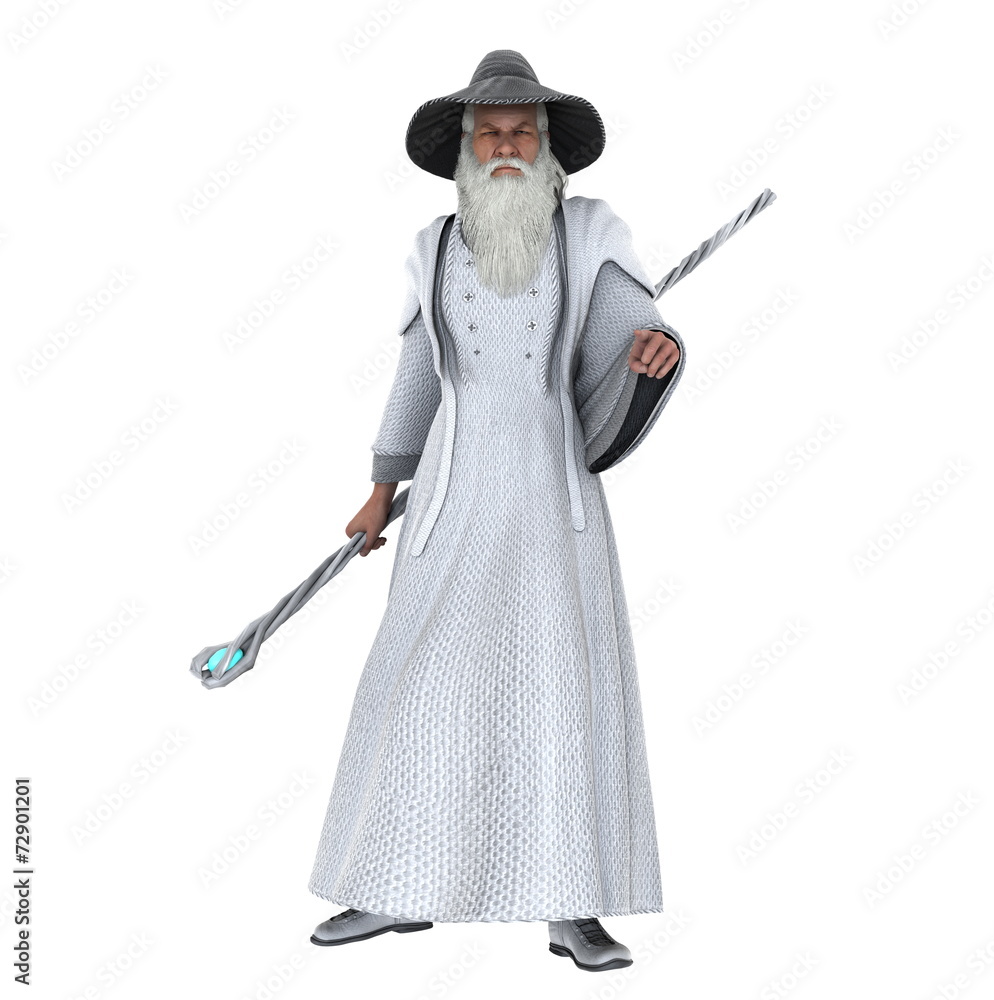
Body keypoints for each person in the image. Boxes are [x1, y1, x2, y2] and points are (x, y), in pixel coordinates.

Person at [307, 49, 686, 974]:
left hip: (550, 492)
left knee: (559, 686)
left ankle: (572, 907)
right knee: (420, 682)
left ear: (546, 145)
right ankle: (395, 887)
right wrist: (382, 487)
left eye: (522, 132)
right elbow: (417, 372)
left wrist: (654, 351)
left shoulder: (591, 234)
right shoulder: (433, 246)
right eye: (491, 133)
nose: (507, 145)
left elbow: (632, 332)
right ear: (467, 148)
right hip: (450, 492)